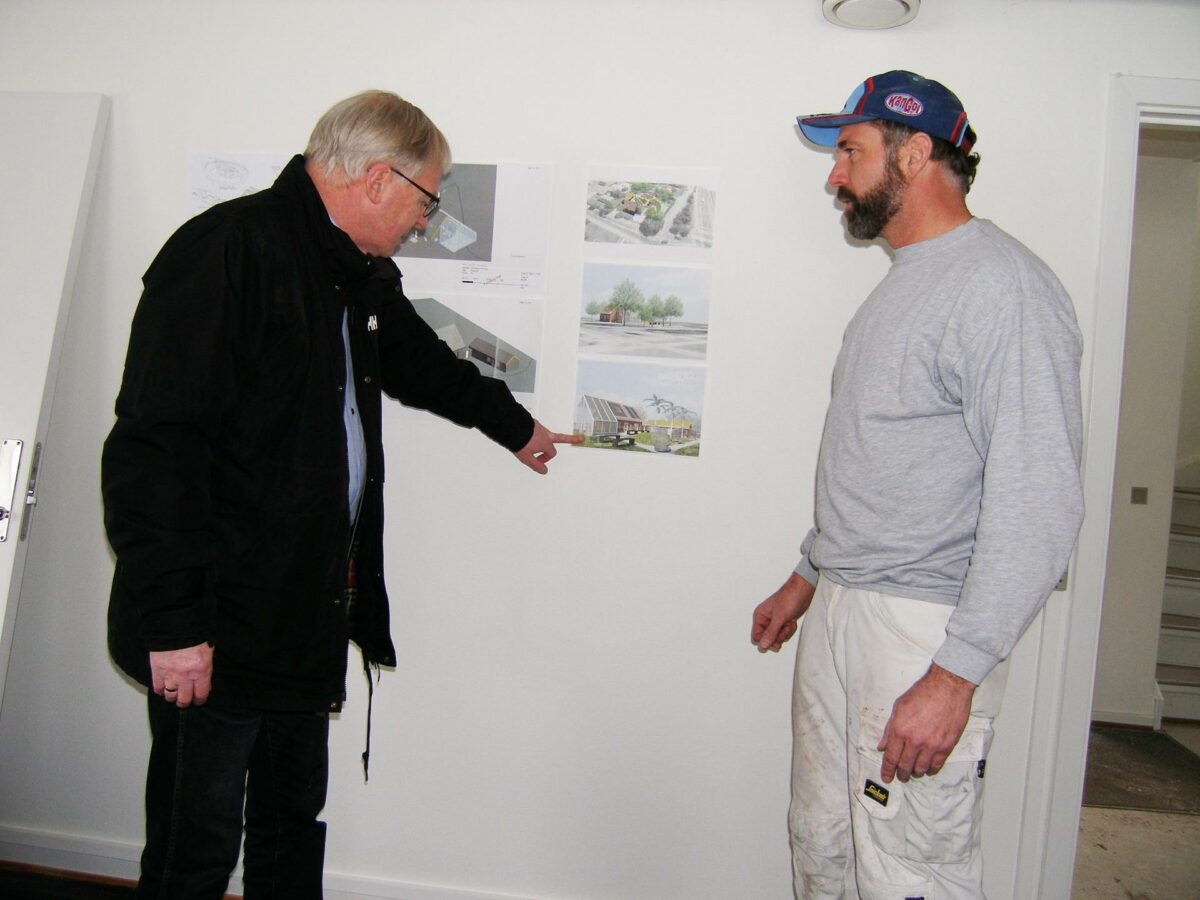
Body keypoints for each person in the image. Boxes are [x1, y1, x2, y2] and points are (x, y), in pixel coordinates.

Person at [102, 89, 580, 900]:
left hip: (301, 610)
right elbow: (156, 449)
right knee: (195, 848)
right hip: (214, 621)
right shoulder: (226, 251)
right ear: (379, 179)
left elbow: (422, 364)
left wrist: (517, 427)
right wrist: (175, 622)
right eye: (427, 197)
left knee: (293, 834)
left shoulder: (353, 274)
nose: (426, 219)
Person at [750, 71, 1084, 899]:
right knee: (822, 841)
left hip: (918, 632)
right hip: (846, 608)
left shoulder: (1003, 288)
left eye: (852, 153)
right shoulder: (905, 284)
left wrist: (954, 675)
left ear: (918, 152)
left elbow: (1040, 499)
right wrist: (809, 575)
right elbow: (882, 462)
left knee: (910, 870)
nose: (834, 176)